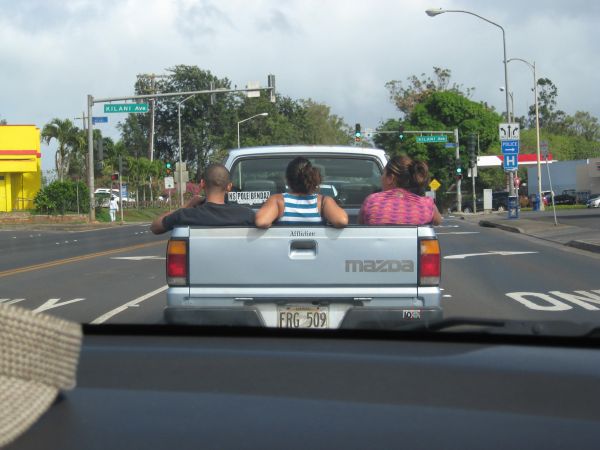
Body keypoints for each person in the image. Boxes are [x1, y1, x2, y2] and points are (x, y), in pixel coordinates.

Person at [150, 163, 255, 234]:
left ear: (202, 183)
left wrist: (187, 205)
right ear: (229, 187)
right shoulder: (247, 215)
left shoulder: (186, 215)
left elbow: (155, 227)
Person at [254, 157, 348, 228]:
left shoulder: (278, 200)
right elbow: (342, 220)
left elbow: (261, 221)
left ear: (287, 179)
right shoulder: (323, 201)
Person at [358, 155, 442, 226]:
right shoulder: (426, 204)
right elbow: (438, 221)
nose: (381, 177)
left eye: (383, 173)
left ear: (390, 178)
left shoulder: (371, 201)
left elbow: (361, 226)